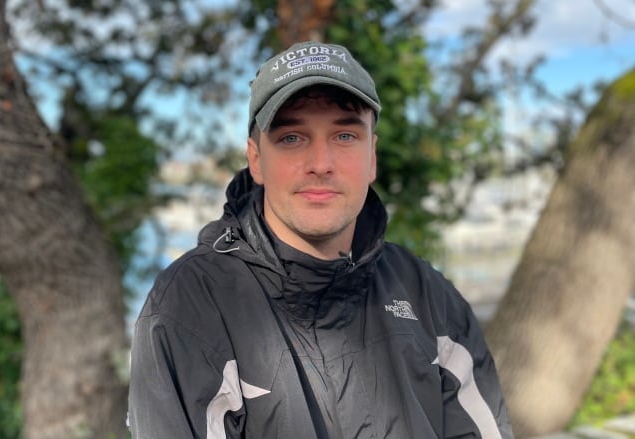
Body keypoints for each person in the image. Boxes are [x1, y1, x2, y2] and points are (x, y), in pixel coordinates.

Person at [128, 40, 513, 439]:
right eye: (292, 137)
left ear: (373, 157)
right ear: (256, 159)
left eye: (344, 136)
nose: (321, 165)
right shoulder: (189, 305)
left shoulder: (429, 296)